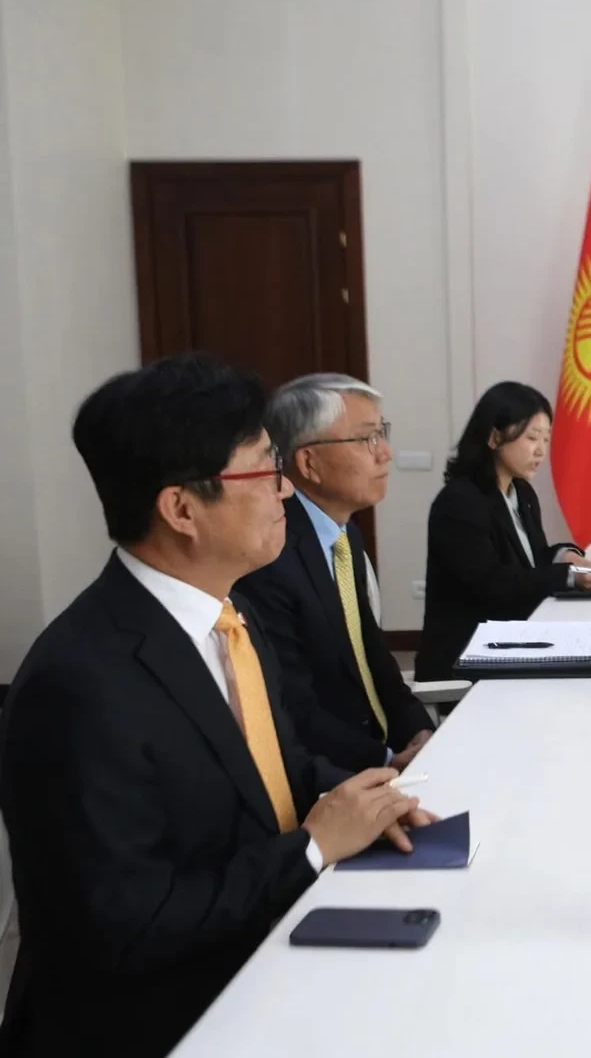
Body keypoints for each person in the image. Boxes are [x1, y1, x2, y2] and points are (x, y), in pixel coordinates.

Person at [0, 355, 436, 1058]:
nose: (284, 491)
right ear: (181, 509)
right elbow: (126, 923)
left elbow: (272, 766)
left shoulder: (230, 617)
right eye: (264, 471)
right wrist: (313, 846)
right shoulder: (79, 685)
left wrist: (365, 798)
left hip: (262, 960)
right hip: (163, 1021)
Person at [237, 374, 435, 773]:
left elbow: (372, 653)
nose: (386, 453)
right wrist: (386, 761)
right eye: (367, 439)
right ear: (309, 462)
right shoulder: (270, 554)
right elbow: (292, 704)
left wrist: (418, 729)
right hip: (333, 775)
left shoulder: (343, 533)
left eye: (382, 434)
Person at [415, 382, 591, 681]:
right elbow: (495, 584)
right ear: (494, 437)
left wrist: (564, 556)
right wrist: (568, 576)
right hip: (469, 658)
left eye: (546, 438)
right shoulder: (459, 502)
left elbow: (529, 562)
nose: (540, 450)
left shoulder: (522, 493)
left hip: (515, 639)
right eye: (531, 437)